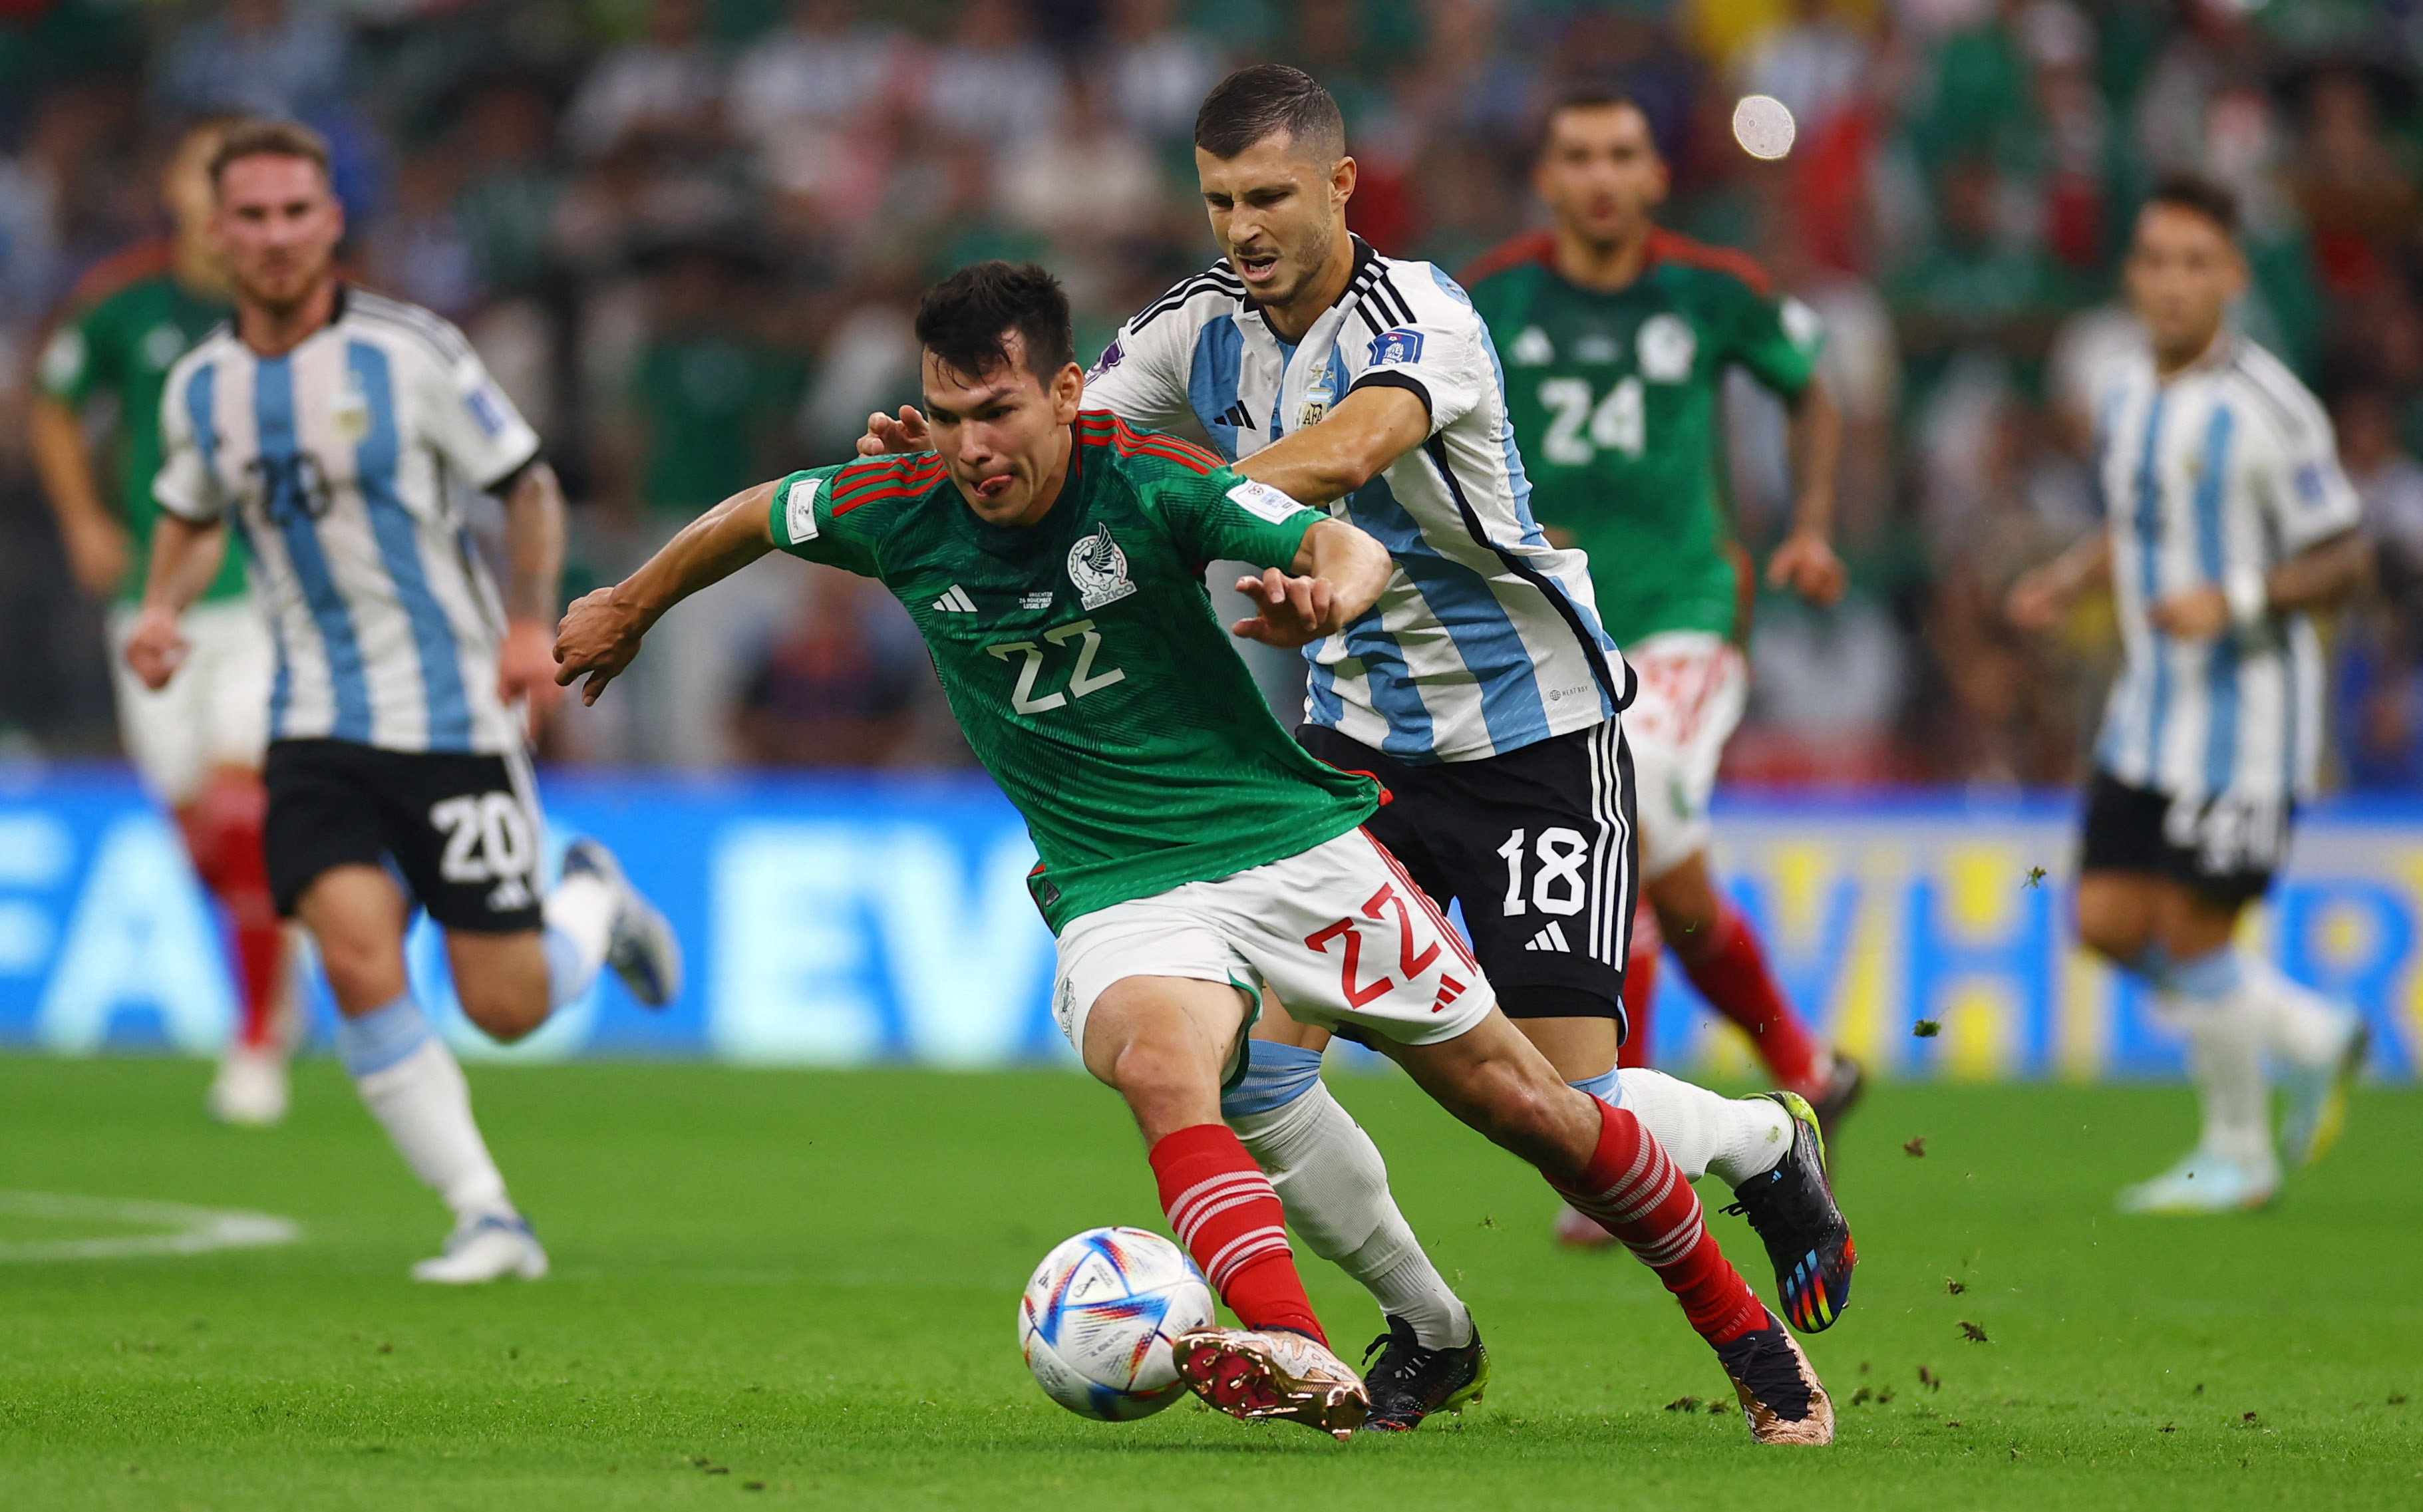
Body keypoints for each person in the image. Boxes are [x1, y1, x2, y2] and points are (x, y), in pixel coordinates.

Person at [562, 261, 1836, 1445]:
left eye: (996, 411)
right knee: (1173, 1068)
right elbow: (753, 516)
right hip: (1117, 883)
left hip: (1289, 841)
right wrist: (627, 603)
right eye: (946, 416)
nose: (971, 447)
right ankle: (1306, 1342)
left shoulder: (1148, 479)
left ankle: (1742, 1328)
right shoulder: (898, 504)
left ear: (1064, 392)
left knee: (1540, 1111)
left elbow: (1340, 536)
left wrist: (1325, 589)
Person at [864, 65, 1856, 1429]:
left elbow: (1345, 451)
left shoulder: (1425, 316)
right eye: (1219, 200)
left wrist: (1213, 510)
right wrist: (970, 461)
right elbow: (1076, 436)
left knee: (1564, 1103)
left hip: (1535, 735)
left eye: (1268, 195)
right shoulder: (1197, 325)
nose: (1242, 226)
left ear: (1340, 188)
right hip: (1352, 746)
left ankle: (1761, 1136)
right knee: (1261, 1069)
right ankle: (1428, 1327)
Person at [125, 120, 684, 1281]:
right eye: (254, 216)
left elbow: (526, 486)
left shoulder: (410, 354)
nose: (276, 236)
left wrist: (530, 625)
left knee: (506, 1004)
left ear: (331, 224)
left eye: (297, 213)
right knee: (354, 958)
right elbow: (188, 505)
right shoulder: (205, 387)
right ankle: (488, 1215)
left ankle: (589, 905)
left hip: (450, 715)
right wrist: (163, 606)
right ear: (216, 232)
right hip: (314, 722)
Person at [1462, 90, 1863, 1161]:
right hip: (1552, 627)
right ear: (1546, 180)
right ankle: (1807, 1071)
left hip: (1685, 611)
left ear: (1655, 177)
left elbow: (1811, 391)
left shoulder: (1711, 289)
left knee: (1621, 831)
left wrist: (1811, 525)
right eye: (1577, 154)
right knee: (1669, 876)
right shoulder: (1487, 299)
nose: (1599, 175)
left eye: (1621, 153)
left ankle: (1610, 1136)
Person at [2008, 176, 2372, 1213]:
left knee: (2194, 930)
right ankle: (2306, 1032)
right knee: (2105, 922)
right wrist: (2070, 576)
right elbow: (2141, 517)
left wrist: (2240, 596)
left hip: (2246, 720)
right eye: (2155, 262)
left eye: (2194, 264)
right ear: (2132, 275)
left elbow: (2343, 555)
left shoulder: (2271, 408)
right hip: (2145, 711)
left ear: (2231, 276)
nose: (2171, 284)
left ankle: (2236, 1150)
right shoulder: (2123, 389)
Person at [31, 118, 297, 1125]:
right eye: (208, 171)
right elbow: (52, 404)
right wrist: (83, 518)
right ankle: (280, 963)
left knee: (241, 812)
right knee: (198, 833)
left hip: (268, 592)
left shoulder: (295, 301)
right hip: (153, 599)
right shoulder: (120, 301)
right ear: (180, 191)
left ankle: (258, 1041)